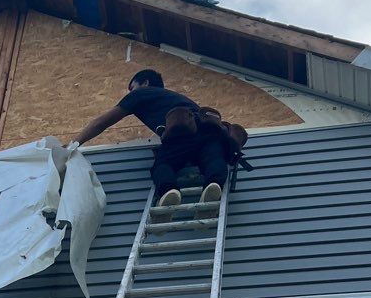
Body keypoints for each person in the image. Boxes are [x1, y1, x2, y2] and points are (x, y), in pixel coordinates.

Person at [72, 68, 244, 208]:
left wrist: (74, 144)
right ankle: (214, 183)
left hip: (182, 136)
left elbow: (101, 123)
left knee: (163, 164)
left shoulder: (141, 94)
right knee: (211, 157)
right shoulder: (178, 100)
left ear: (145, 83)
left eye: (132, 87)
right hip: (213, 134)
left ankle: (169, 191)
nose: (130, 92)